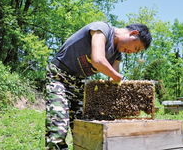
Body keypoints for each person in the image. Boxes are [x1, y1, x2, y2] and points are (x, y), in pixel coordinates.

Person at [45, 21, 152, 149]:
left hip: (79, 83)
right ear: (134, 33)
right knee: (58, 126)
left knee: (86, 129)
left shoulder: (117, 54)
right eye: (136, 48)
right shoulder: (102, 29)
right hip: (59, 76)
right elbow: (98, 60)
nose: (132, 52)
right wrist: (117, 77)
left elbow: (114, 82)